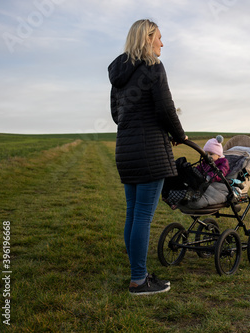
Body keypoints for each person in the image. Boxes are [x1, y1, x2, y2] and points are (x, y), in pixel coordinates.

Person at [108, 19, 187, 295]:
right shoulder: (154, 67)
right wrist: (181, 136)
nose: (162, 44)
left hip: (125, 151)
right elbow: (166, 109)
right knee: (142, 216)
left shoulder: (119, 74)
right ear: (147, 39)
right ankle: (139, 280)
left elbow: (116, 115)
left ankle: (137, 273)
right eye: (159, 38)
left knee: (133, 214)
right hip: (150, 151)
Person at [162, 135, 230, 209]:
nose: (208, 156)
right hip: (202, 181)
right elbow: (200, 168)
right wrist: (194, 172)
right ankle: (171, 198)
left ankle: (179, 203)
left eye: (211, 154)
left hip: (212, 182)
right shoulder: (205, 161)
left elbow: (221, 172)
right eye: (206, 154)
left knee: (193, 190)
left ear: (219, 155)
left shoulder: (223, 162)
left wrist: (209, 176)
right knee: (188, 182)